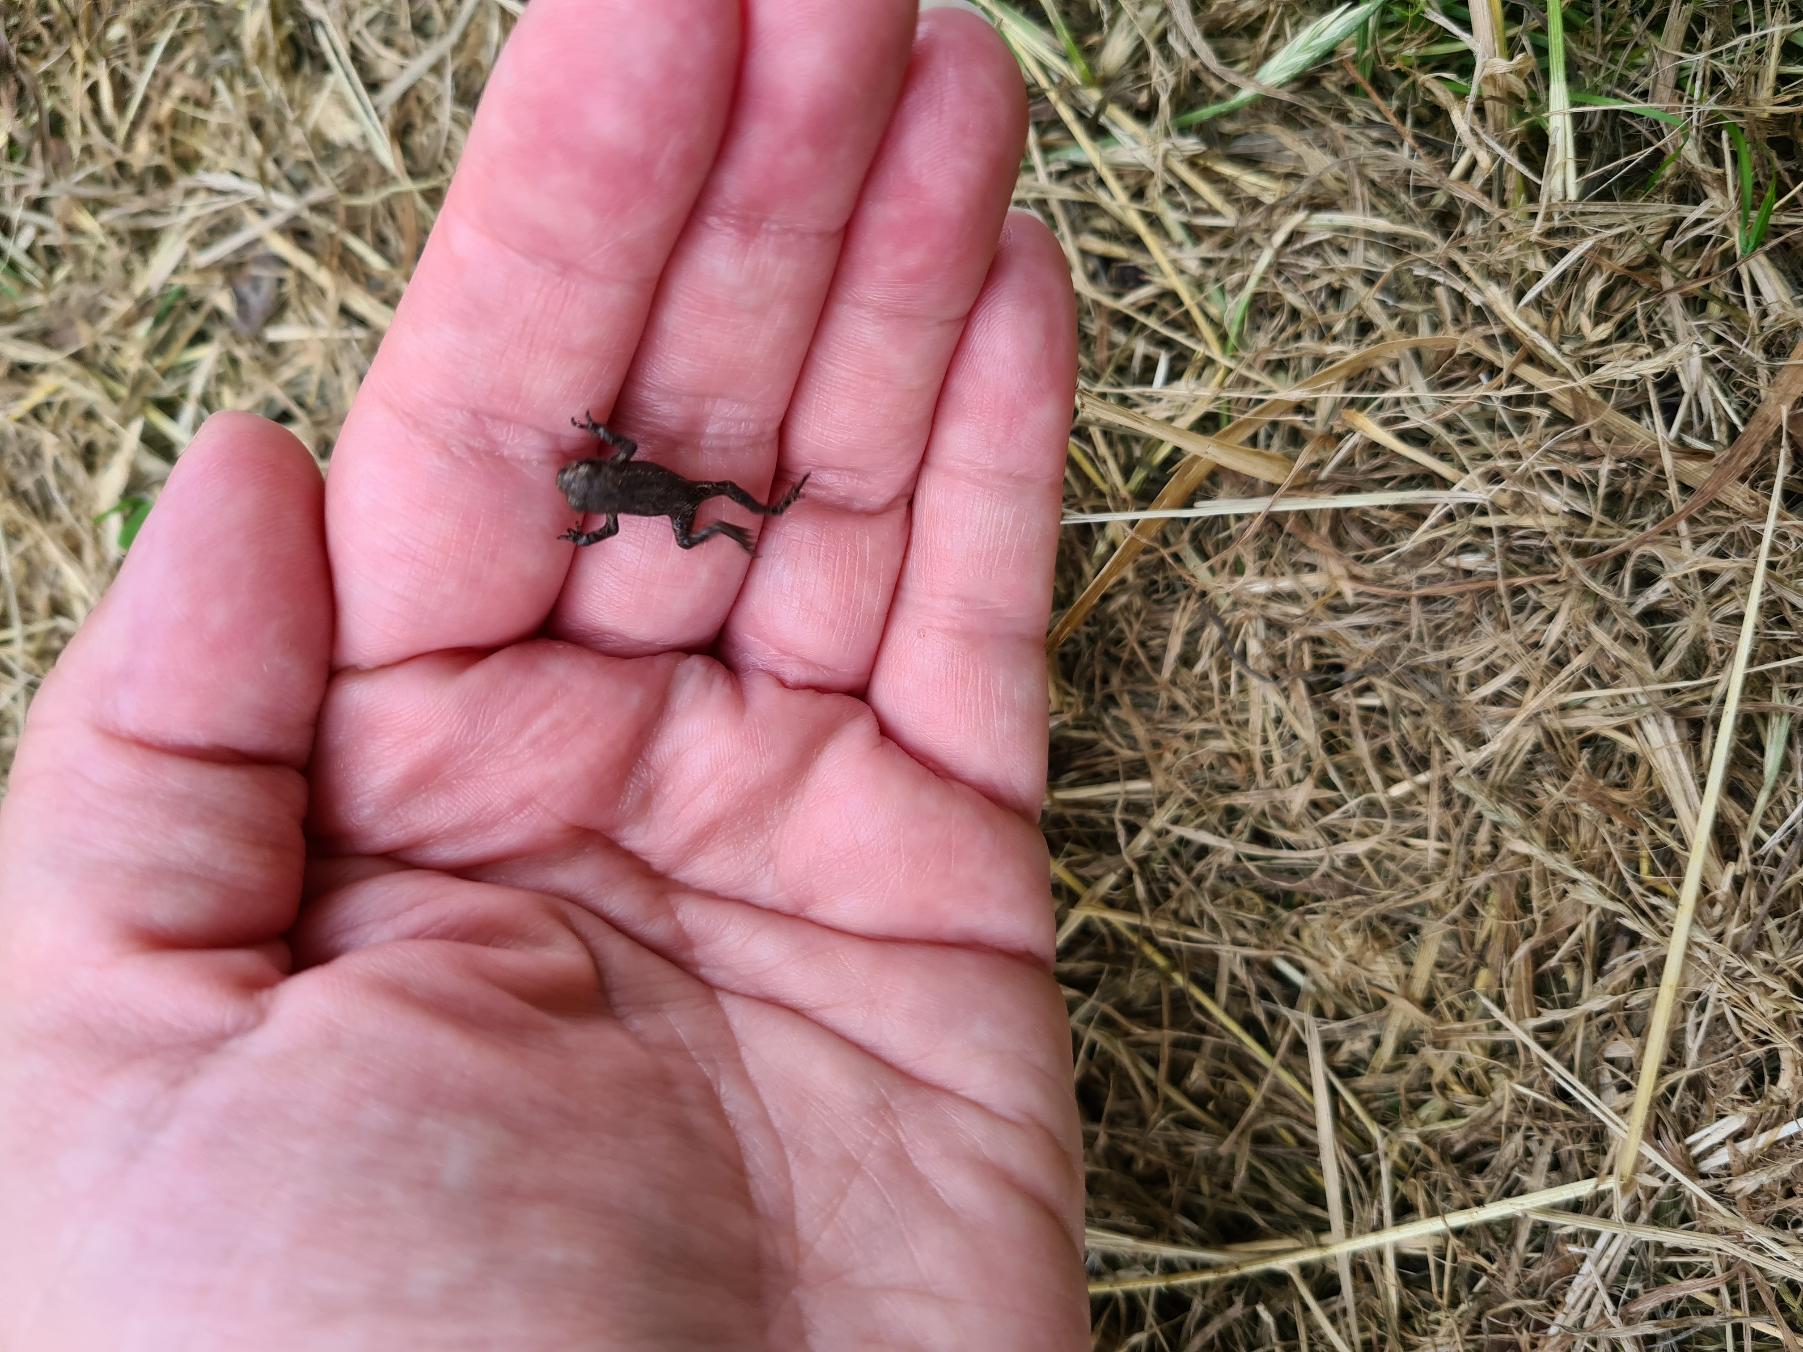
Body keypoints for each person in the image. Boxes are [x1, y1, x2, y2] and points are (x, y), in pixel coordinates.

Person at [0, 0, 1085, 1346]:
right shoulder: (604, 493)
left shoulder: (613, 490)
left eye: (577, 486)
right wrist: (589, 499)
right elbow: (607, 491)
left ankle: (762, 516)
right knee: (716, 510)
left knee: (719, 508)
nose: (576, 489)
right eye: (577, 488)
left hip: (676, 493)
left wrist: (598, 497)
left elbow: (615, 483)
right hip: (670, 503)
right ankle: (759, 518)